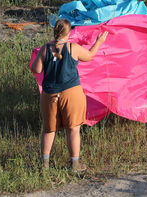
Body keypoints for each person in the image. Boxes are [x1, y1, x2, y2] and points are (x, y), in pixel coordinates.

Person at [30, 20, 109, 171]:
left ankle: (44, 165)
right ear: (68, 32)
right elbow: (90, 55)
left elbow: (36, 69)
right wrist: (99, 41)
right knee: (73, 128)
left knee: (49, 130)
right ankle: (75, 164)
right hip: (71, 92)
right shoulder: (73, 47)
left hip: (49, 94)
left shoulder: (45, 49)